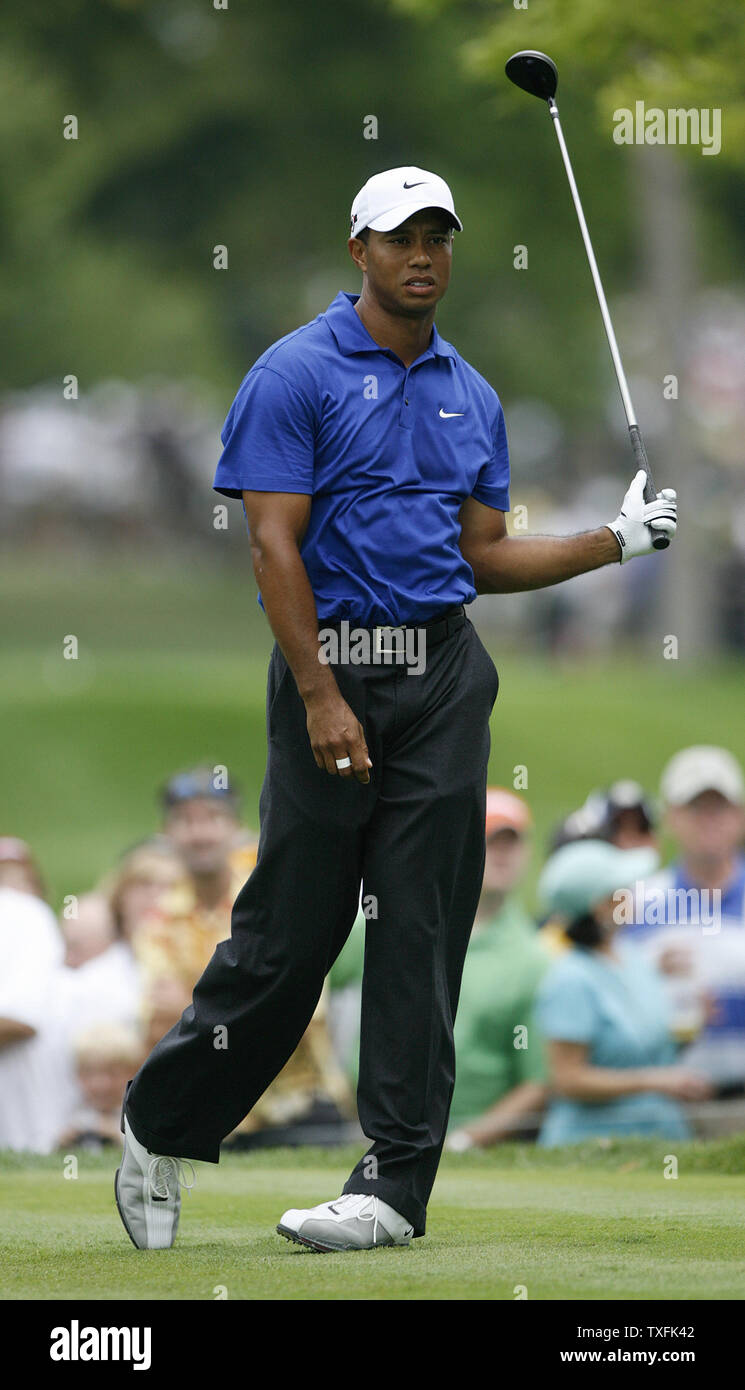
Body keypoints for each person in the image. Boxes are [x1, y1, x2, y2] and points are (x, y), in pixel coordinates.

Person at [116, 165, 679, 1254]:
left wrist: (613, 541)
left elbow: (481, 556)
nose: (422, 253)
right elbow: (272, 546)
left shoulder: (473, 391)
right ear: (357, 250)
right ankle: (160, 1120)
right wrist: (323, 695)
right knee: (291, 940)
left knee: (421, 935)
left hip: (443, 676)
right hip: (331, 667)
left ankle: (391, 1187)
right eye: (399, 237)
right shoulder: (294, 373)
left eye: (438, 236)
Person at [534, 840, 711, 1146]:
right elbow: (567, 1079)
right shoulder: (569, 979)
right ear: (602, 906)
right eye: (623, 891)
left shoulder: (632, 957)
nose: (633, 896)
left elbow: (646, 1047)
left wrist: (695, 1024)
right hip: (591, 1150)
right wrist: (655, 1081)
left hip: (658, 1136)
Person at [620, 746, 745, 1086]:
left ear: (740, 815)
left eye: (719, 807)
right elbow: (609, 995)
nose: (710, 819)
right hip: (666, 1097)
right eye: (696, 808)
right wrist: (648, 979)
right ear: (672, 818)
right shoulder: (635, 901)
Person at [446, 789, 550, 1149]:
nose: (503, 855)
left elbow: (537, 1080)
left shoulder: (534, 958)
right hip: (361, 1130)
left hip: (469, 1146)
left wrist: (463, 1142)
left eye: (512, 843)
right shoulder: (400, 920)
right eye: (490, 841)